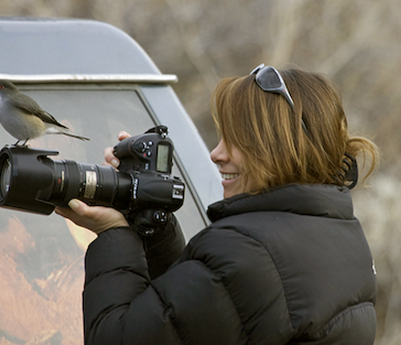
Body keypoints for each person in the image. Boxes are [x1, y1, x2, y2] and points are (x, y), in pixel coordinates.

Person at [55, 64, 378, 344]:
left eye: (235, 140)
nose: (216, 154)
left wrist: (113, 233)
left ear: (277, 147)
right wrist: (153, 228)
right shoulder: (339, 234)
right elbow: (196, 319)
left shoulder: (247, 252)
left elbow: (116, 338)